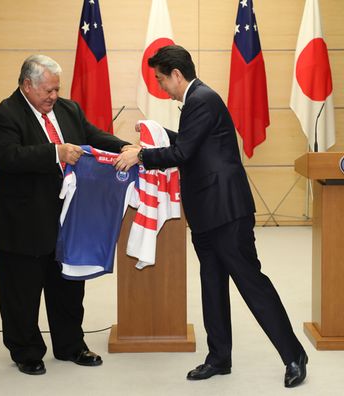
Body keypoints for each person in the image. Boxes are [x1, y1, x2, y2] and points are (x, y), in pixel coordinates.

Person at [114, 45, 308, 388]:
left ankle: (294, 354)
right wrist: (157, 136)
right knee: (212, 285)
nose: (159, 86)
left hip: (227, 213)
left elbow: (183, 152)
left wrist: (141, 155)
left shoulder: (201, 99)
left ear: (176, 74)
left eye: (160, 79)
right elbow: (191, 143)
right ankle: (219, 357)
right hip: (206, 213)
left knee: (251, 284)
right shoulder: (197, 101)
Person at [0, 54, 132, 376]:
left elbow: (92, 136)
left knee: (67, 286)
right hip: (22, 222)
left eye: (56, 89)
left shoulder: (68, 109)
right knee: (21, 292)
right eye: (47, 90)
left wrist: (125, 148)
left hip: (67, 218)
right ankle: (26, 351)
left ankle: (71, 345)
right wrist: (56, 151)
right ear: (27, 85)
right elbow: (8, 158)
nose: (53, 96)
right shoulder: (4, 115)